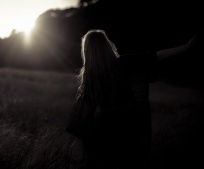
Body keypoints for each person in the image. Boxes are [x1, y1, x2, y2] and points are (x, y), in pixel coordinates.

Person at [65, 29, 203, 169]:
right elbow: (157, 56)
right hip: (130, 126)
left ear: (87, 52)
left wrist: (79, 140)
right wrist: (187, 47)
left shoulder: (91, 75)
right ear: (107, 45)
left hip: (105, 130)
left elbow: (83, 107)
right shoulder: (126, 63)